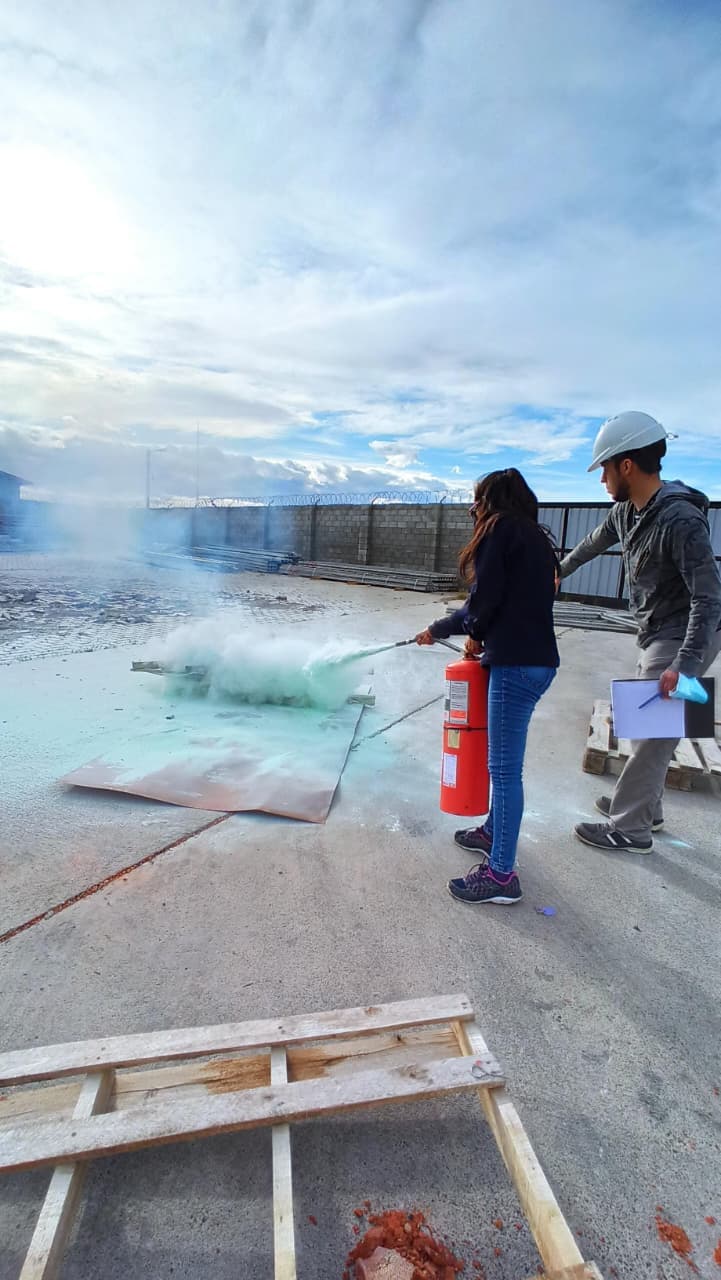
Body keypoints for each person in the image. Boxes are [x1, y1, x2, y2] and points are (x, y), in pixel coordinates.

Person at [559, 410, 721, 853]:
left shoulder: (680, 520)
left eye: (605, 470)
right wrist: (558, 571)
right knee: (646, 721)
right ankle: (647, 807)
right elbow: (593, 542)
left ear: (626, 465)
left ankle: (631, 828)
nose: (602, 481)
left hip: (686, 634)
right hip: (655, 631)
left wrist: (684, 666)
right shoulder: (629, 512)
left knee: (655, 728)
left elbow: (710, 598)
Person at [416, 468, 559, 905]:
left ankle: (501, 876)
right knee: (504, 767)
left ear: (492, 501)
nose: (473, 508)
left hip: (515, 667)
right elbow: (509, 604)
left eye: (477, 499)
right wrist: (477, 632)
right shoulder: (535, 539)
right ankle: (493, 832)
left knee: (504, 771)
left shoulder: (498, 531)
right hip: (536, 662)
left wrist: (438, 628)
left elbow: (480, 605)